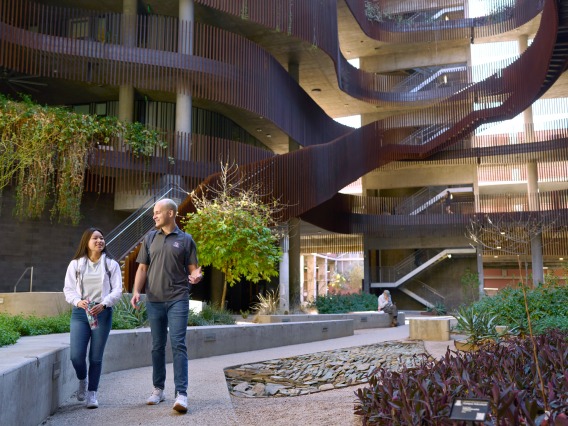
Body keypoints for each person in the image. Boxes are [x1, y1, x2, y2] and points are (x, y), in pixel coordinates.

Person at [131, 198, 202, 414]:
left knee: (178, 344)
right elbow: (142, 268)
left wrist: (196, 276)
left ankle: (181, 394)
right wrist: (136, 291)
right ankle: (158, 389)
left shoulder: (186, 239)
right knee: (157, 345)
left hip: (178, 298)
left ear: (171, 213)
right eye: (154, 212)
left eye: (158, 212)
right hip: (154, 299)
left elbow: (193, 269)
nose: (154, 216)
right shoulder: (150, 237)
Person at [63, 227, 123, 409]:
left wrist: (104, 304)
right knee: (76, 356)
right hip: (81, 313)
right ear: (86, 242)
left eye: (102, 238)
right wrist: (77, 301)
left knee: (96, 357)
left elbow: (117, 290)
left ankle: (92, 393)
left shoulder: (111, 264)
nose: (99, 241)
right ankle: (83, 379)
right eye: (95, 238)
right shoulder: (76, 264)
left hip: (102, 313)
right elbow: (68, 289)